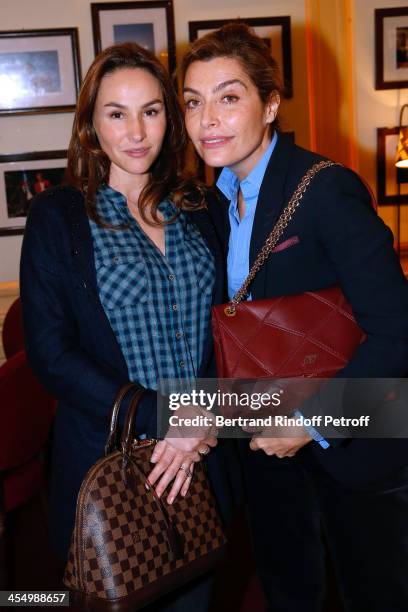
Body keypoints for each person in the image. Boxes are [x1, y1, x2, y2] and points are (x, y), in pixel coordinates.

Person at [181, 23, 408, 612]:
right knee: (290, 592)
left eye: (229, 98)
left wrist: (310, 424)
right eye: (193, 102)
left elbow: (397, 330)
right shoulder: (209, 201)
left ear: (271, 104)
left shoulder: (325, 188)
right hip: (263, 446)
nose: (208, 119)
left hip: (356, 447)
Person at [20, 42, 227, 611]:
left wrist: (199, 422)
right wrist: (166, 419)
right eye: (117, 113)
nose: (136, 131)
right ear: (90, 124)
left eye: (152, 110)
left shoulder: (201, 207)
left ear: (170, 117)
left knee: (196, 594)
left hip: (203, 457)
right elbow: (50, 353)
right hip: (112, 465)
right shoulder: (58, 216)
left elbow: (227, 329)